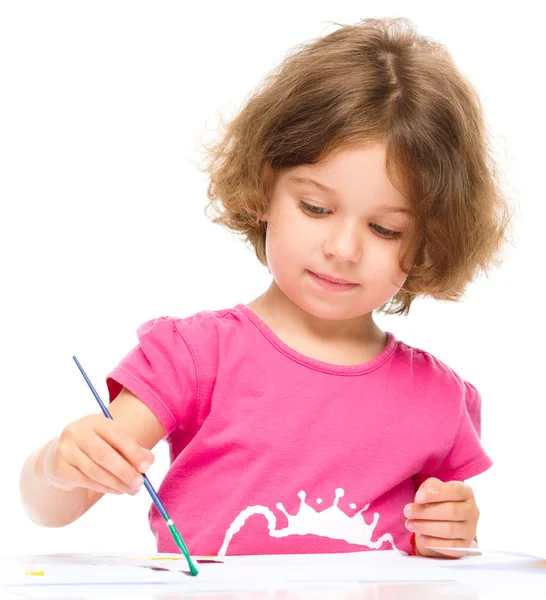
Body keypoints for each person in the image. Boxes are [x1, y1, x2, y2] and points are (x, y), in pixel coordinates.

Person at [20, 17, 511, 559]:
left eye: (384, 228)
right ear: (263, 186)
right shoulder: (194, 357)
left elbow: (445, 554)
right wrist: (58, 466)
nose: (343, 248)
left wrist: (454, 533)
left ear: (427, 243)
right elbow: (51, 507)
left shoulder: (436, 398)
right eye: (316, 208)